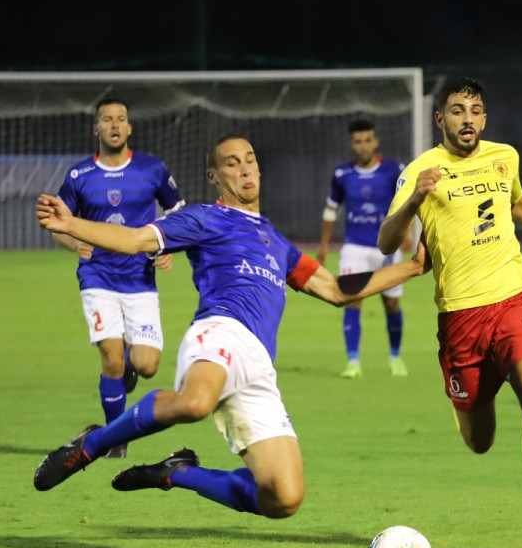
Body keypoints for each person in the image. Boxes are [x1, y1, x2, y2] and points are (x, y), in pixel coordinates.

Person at [33, 134, 425, 521]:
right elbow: (135, 239)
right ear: (214, 176)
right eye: (232, 163)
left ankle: (178, 473)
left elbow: (336, 290)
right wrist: (72, 224)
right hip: (220, 329)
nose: (245, 168)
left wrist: (413, 266)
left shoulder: (277, 242)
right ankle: (91, 445)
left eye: (249, 159)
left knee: (283, 498)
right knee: (195, 403)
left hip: (259, 362)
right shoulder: (203, 218)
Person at [378, 77, 522, 548]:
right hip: (460, 318)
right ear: (441, 119)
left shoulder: (504, 157)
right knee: (479, 440)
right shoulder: (420, 171)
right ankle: (472, 401)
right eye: (457, 110)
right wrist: (414, 201)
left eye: (475, 110)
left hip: (514, 298)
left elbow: (516, 202)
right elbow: (387, 242)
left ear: (485, 118)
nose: (467, 119)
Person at [53, 97, 185, 458]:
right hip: (97, 277)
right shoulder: (79, 176)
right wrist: (73, 243)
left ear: (129, 128)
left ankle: (128, 365)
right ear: (96, 128)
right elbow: (58, 224)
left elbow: (177, 210)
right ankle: (114, 440)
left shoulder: (152, 169)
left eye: (121, 119)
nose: (114, 124)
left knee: (146, 365)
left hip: (140, 279)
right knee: (110, 357)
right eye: (107, 119)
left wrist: (167, 246)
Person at [317, 118, 411, 379]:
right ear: (352, 144)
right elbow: (331, 209)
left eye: (368, 140)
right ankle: (353, 362)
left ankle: (395, 357)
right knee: (351, 300)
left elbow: (408, 202)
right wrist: (324, 245)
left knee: (392, 303)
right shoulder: (342, 174)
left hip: (387, 248)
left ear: (375, 141)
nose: (363, 146)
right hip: (354, 247)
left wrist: (407, 233)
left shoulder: (393, 170)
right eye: (358, 141)